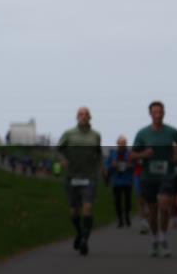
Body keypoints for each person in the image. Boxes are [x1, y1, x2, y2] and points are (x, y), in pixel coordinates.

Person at [131, 101, 177, 258]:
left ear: (164, 113)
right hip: (149, 176)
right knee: (153, 211)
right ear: (150, 114)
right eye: (155, 112)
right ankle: (155, 239)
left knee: (164, 205)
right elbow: (132, 155)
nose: (158, 115)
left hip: (167, 174)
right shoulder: (142, 133)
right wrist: (143, 154)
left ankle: (164, 238)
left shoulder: (172, 131)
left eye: (160, 112)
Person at [57, 107, 103, 255]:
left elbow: (99, 154)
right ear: (77, 117)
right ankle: (79, 232)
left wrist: (102, 168)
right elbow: (59, 149)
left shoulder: (96, 135)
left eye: (86, 114)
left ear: (90, 117)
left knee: (88, 208)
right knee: (74, 211)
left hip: (89, 176)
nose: (83, 117)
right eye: (81, 114)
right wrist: (63, 160)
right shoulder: (69, 134)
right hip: (72, 176)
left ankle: (84, 240)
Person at [105, 135, 134, 228]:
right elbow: (107, 165)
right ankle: (120, 219)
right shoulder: (113, 153)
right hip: (116, 181)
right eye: (121, 143)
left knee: (127, 201)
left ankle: (127, 216)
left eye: (124, 143)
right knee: (117, 201)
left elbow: (135, 165)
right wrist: (112, 165)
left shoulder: (130, 154)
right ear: (117, 143)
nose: (122, 144)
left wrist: (130, 166)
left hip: (127, 180)